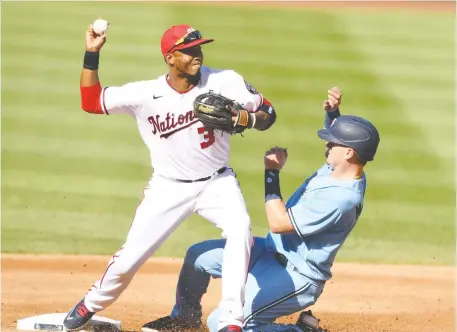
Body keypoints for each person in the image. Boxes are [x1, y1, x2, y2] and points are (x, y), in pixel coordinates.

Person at [63, 23, 277, 332]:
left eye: (199, 48)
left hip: (217, 183)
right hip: (168, 187)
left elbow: (268, 114)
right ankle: (90, 304)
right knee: (127, 261)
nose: (197, 55)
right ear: (170, 58)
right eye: (189, 51)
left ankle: (233, 320)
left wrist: (247, 118)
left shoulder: (225, 81)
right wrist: (91, 53)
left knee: (240, 228)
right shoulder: (145, 94)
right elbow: (91, 101)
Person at [151, 87, 380, 332]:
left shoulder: (340, 197)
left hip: (296, 277)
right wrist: (334, 114)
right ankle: (184, 318)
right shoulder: (342, 170)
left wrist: (271, 172)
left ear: (348, 152)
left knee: (222, 324)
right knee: (198, 257)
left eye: (332, 141)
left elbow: (278, 223)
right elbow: (344, 146)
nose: (327, 143)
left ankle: (302, 331)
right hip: (269, 251)